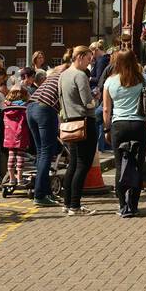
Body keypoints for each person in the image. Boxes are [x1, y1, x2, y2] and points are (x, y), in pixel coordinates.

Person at [103, 47, 146, 218]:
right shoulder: (143, 78)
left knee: (119, 166)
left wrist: (106, 128)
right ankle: (134, 205)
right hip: (139, 125)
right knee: (137, 166)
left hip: (119, 126)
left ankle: (122, 205)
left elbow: (106, 109)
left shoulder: (110, 82)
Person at [58, 45, 100, 216]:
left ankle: (68, 203)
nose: (90, 63)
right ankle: (75, 205)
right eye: (89, 59)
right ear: (80, 57)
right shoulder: (80, 75)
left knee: (73, 164)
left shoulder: (63, 75)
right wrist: (95, 99)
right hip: (84, 122)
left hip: (68, 123)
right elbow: (87, 102)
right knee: (83, 165)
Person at [27, 52, 70, 205]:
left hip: (31, 107)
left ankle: (44, 191)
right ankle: (39, 195)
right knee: (47, 152)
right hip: (45, 109)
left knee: (41, 153)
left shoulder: (54, 75)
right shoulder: (68, 77)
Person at [2, 87, 33, 190]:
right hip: (21, 134)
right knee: (20, 157)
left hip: (8, 135)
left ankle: (11, 178)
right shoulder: (24, 108)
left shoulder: (6, 108)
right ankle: (19, 178)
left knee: (11, 156)